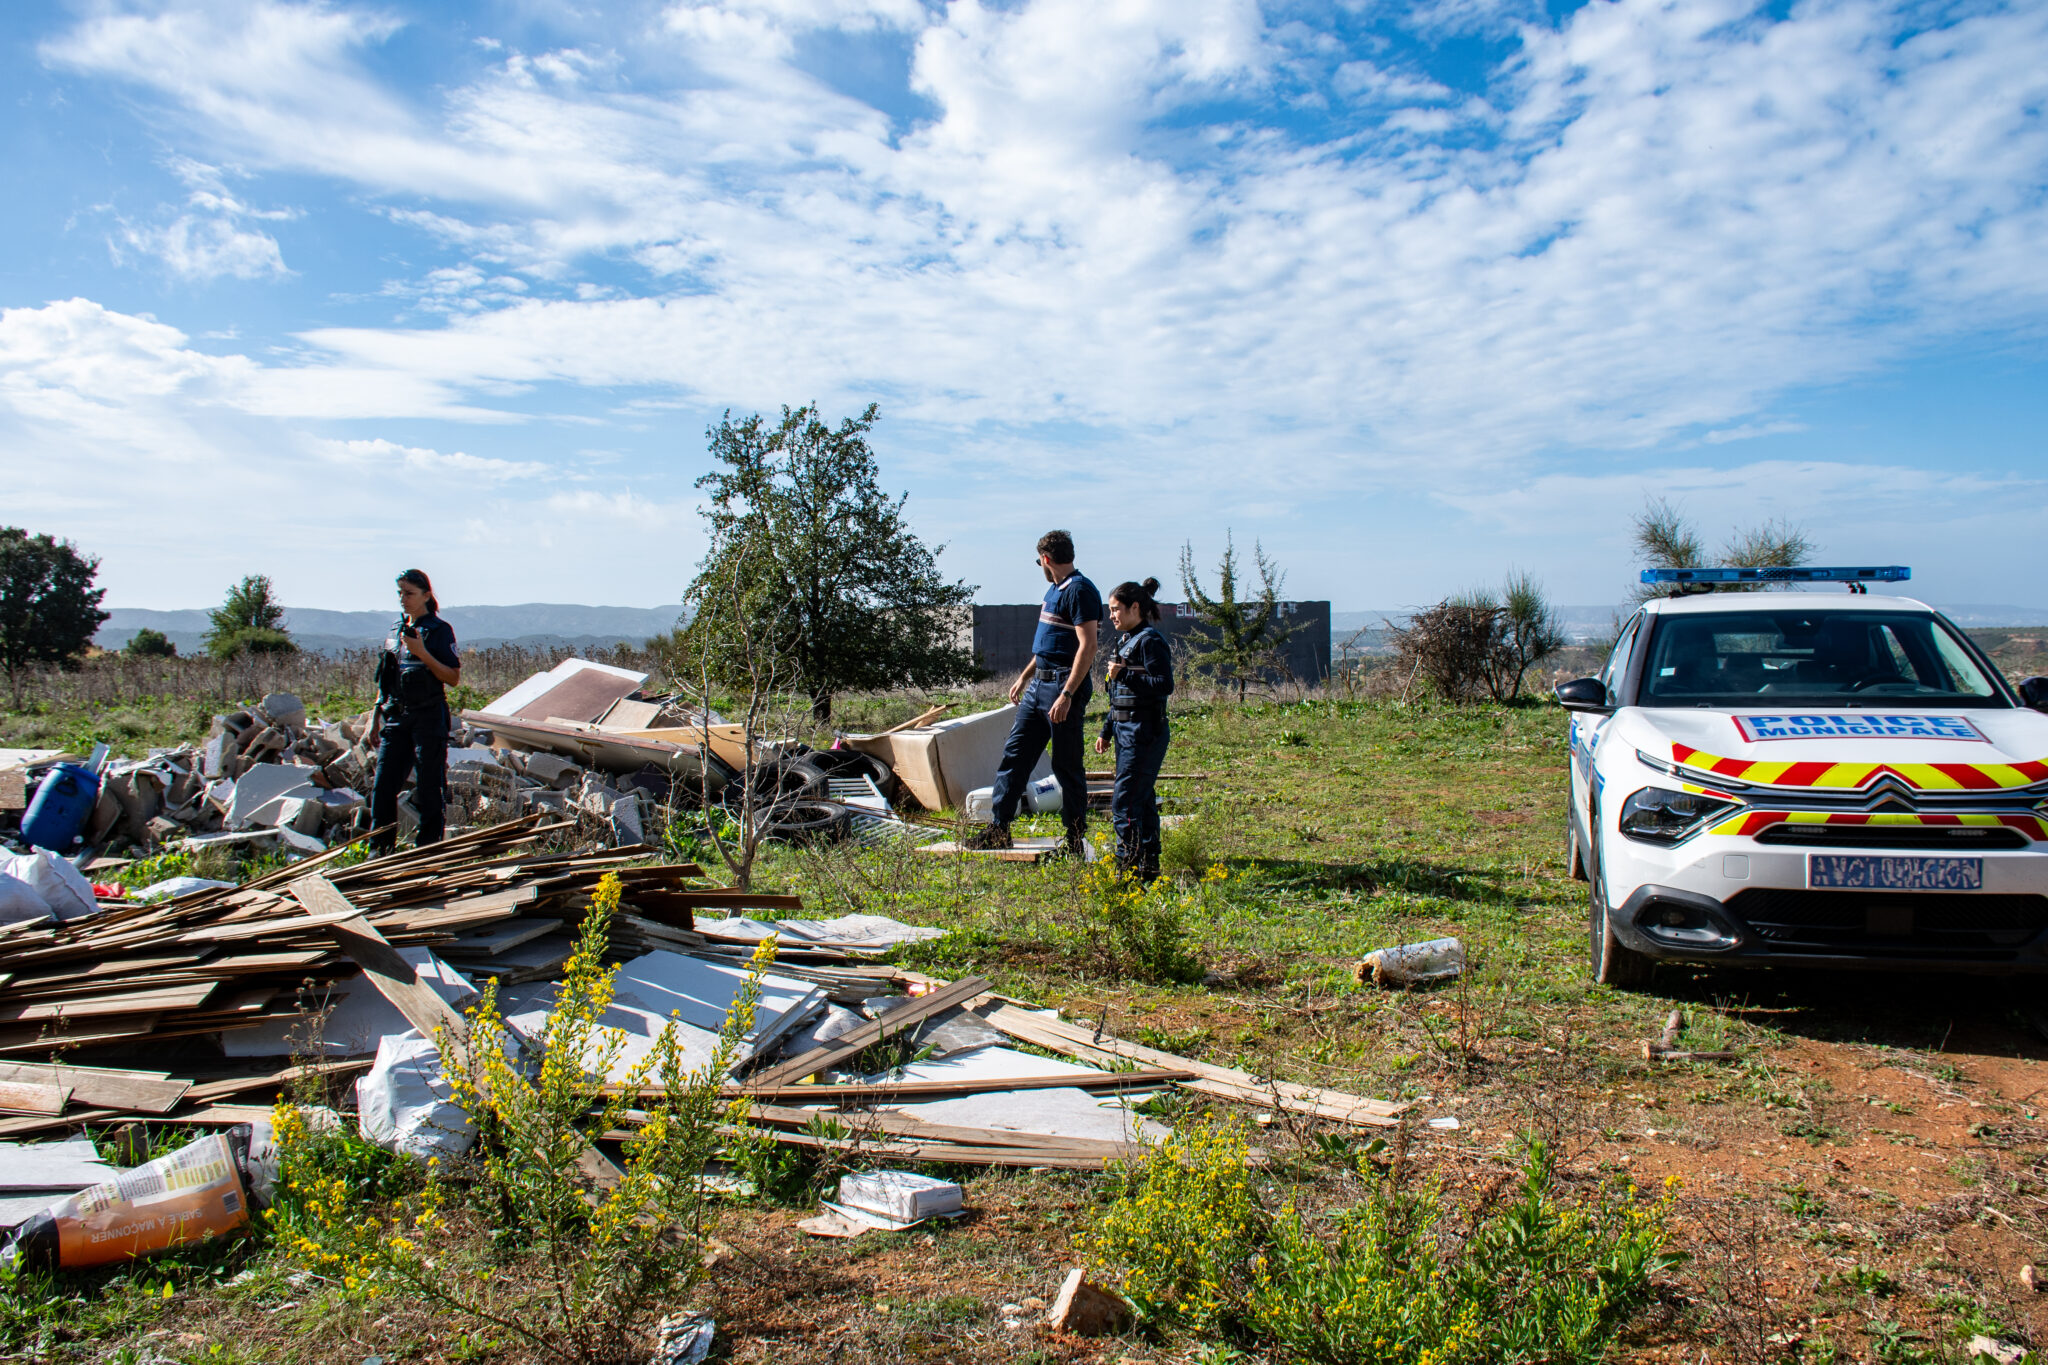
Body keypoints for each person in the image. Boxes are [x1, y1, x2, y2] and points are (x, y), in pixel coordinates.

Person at [972, 530, 1102, 854]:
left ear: (1046, 559)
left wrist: (1068, 695)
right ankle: (999, 828)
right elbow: (1048, 645)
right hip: (1038, 686)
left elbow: (1088, 647)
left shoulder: (1081, 590)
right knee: (1014, 757)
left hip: (1061, 687)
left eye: (1038, 561)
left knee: (1066, 765)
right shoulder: (1053, 590)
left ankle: (1073, 840)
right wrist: (1024, 677)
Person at [369, 569, 461, 852]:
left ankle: (428, 851)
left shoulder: (438, 630)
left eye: (409, 594)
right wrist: (374, 718)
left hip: (428, 717)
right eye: (400, 593)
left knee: (429, 786)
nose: (403, 599)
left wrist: (421, 652)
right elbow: (385, 679)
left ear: (426, 595)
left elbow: (453, 677)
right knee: (383, 787)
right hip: (396, 717)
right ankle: (380, 849)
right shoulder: (394, 631)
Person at [1094, 578, 1175, 880]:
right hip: (1125, 731)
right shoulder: (1124, 641)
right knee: (1140, 799)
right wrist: (1106, 730)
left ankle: (1127, 869)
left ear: (1134, 607)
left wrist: (1126, 674)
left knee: (1125, 802)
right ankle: (1149, 864)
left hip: (1145, 732)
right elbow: (1117, 695)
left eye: (1116, 610)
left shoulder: (1150, 641)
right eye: (1110, 610)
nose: (1112, 615)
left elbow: (1164, 685)